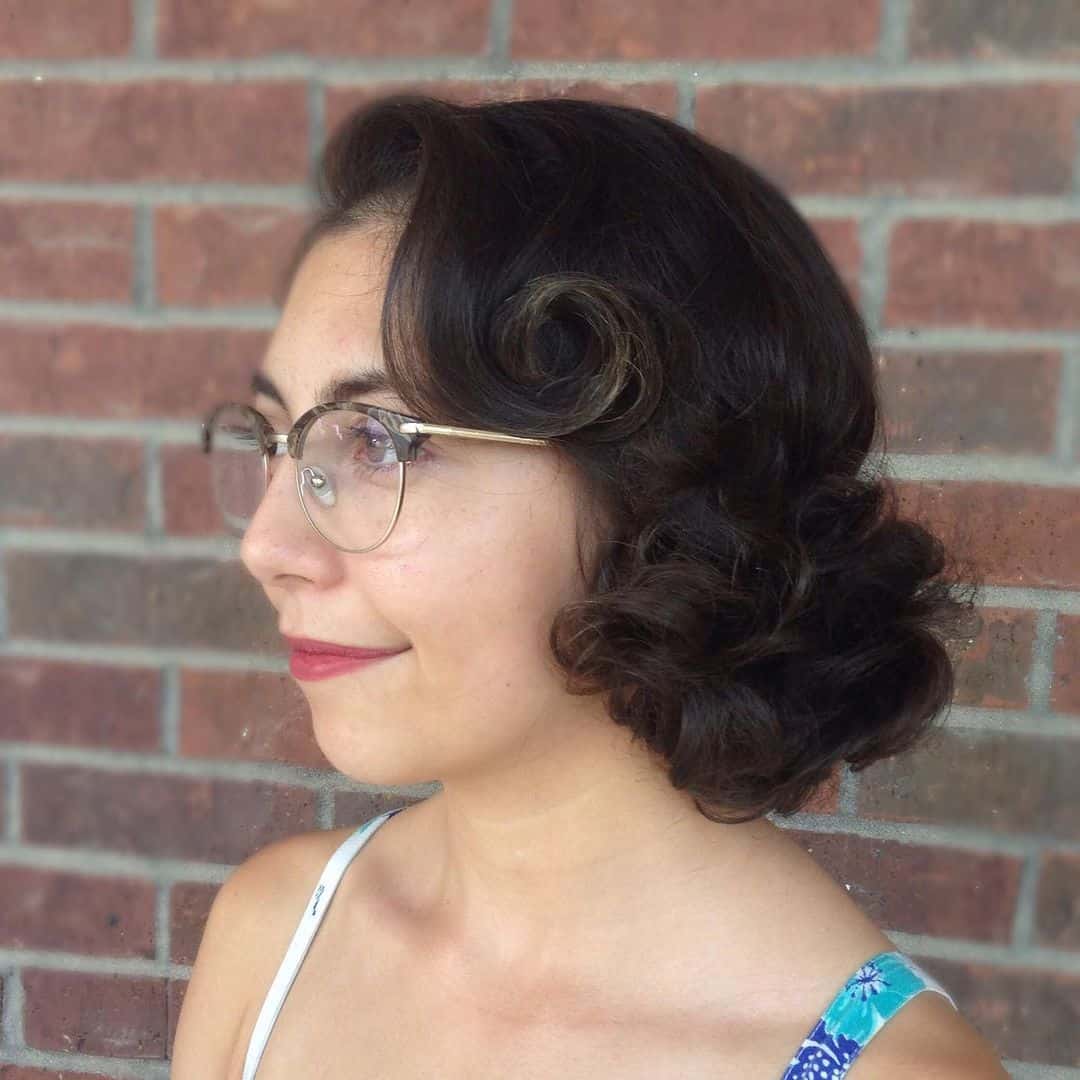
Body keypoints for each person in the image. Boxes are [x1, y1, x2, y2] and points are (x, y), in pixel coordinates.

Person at [172, 92, 1006, 1078]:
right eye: (277, 440)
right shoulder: (277, 935)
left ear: (662, 489)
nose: (267, 546)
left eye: (378, 441)